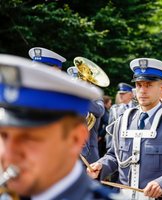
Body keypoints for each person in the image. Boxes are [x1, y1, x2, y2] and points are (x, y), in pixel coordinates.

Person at [0, 54, 119, 199]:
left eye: (28, 138)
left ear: (76, 138)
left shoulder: (95, 100)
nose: (9, 154)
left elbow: (99, 110)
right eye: (4, 136)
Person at [87, 58, 162, 200]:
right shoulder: (123, 120)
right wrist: (101, 166)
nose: (142, 90)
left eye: (149, 85)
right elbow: (114, 156)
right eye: (139, 85)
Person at [105, 83, 135, 150]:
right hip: (119, 145)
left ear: (131, 95)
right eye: (120, 94)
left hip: (134, 144)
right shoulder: (115, 109)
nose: (120, 96)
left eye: (123, 94)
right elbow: (110, 130)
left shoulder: (138, 107)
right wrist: (109, 147)